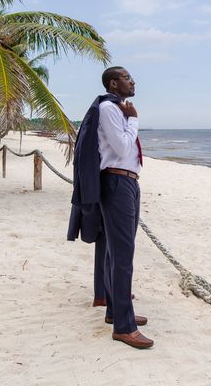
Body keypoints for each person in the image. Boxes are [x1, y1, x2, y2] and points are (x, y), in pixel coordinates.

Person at [68, 66, 152, 349]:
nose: (133, 80)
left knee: (115, 251)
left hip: (125, 183)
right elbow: (122, 148)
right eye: (128, 77)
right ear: (113, 84)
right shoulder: (110, 109)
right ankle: (123, 328)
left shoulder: (116, 109)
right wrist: (134, 121)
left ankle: (115, 310)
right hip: (116, 183)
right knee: (122, 255)